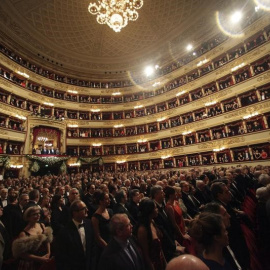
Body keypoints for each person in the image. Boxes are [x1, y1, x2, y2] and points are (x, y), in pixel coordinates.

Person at [55, 200, 93, 270]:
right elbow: (61, 256)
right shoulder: (64, 232)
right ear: (75, 213)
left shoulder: (89, 224)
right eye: (84, 208)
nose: (87, 210)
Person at [135, 198, 166, 270]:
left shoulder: (152, 222)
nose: (157, 209)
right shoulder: (142, 230)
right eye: (155, 207)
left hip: (160, 260)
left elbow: (160, 247)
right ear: (149, 210)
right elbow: (146, 255)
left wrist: (165, 262)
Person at [91, 191, 113, 269]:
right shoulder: (95, 217)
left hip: (112, 242)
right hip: (103, 247)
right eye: (107, 199)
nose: (109, 200)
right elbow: (97, 237)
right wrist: (108, 248)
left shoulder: (110, 211)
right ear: (101, 201)